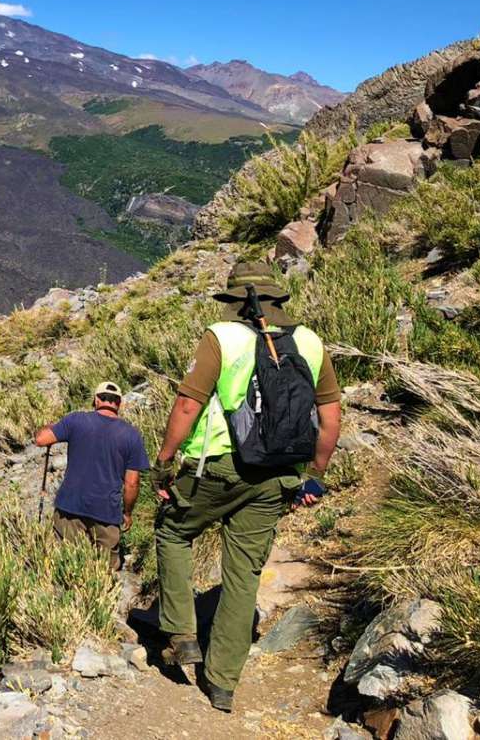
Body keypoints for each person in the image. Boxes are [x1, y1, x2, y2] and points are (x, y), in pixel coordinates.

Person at [151, 261, 341, 713]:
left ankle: (180, 633)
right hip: (278, 475)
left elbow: (186, 404)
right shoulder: (311, 342)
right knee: (243, 576)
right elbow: (330, 417)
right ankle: (222, 684)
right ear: (277, 298)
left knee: (174, 531)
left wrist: (163, 460)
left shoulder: (223, 336)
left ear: (236, 301)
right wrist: (313, 474)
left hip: (219, 466)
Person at [34, 381, 150, 573]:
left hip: (70, 506)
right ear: (119, 403)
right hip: (106, 511)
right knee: (106, 572)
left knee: (67, 566)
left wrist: (47, 426)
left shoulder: (76, 420)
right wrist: (127, 513)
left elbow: (41, 439)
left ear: (96, 400)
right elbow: (132, 483)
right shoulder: (131, 435)